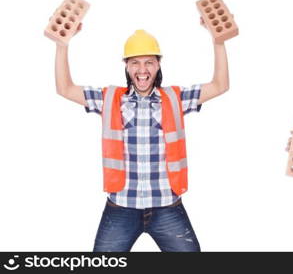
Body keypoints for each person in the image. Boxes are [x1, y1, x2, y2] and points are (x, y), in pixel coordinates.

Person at [52, 20, 231, 251]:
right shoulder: (109, 99)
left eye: (149, 62)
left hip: (167, 206)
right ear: (126, 67)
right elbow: (64, 88)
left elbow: (220, 85)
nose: (142, 69)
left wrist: (218, 42)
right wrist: (61, 46)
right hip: (121, 208)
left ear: (158, 65)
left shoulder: (175, 98)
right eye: (135, 63)